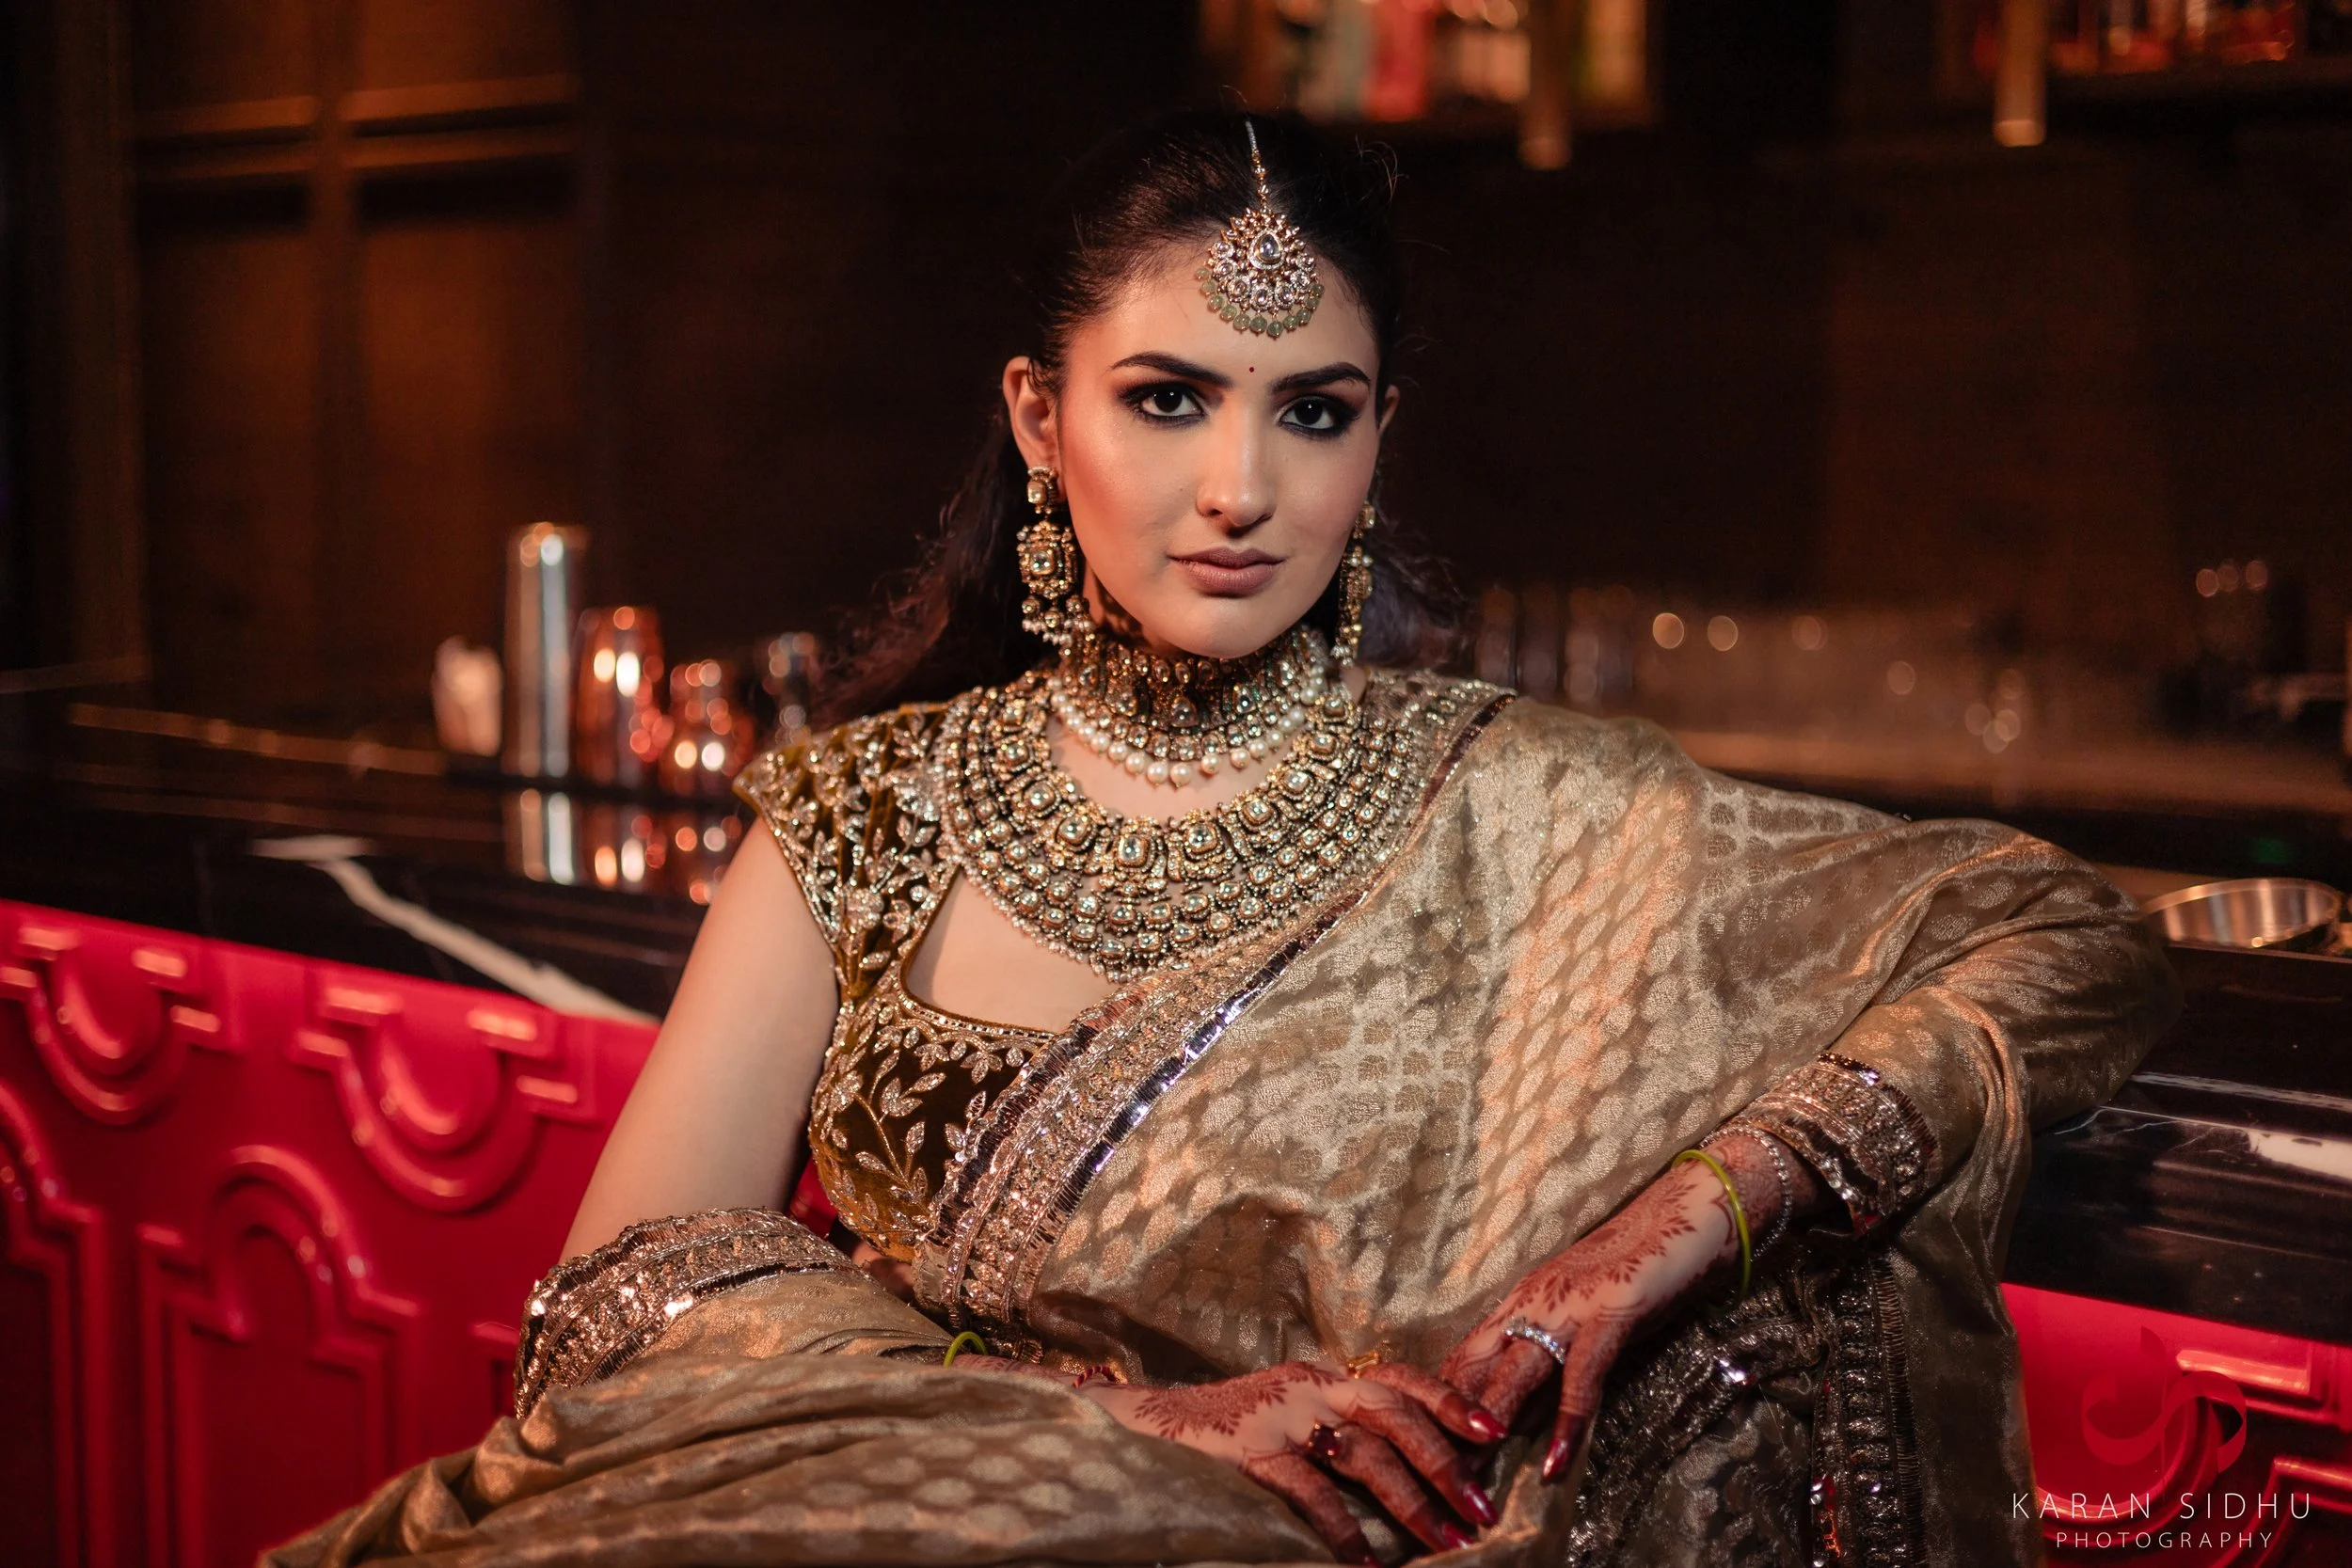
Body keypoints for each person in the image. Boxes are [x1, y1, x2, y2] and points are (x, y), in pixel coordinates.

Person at [271, 112, 2178, 1568]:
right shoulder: (866, 814)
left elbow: (2056, 934)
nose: (1242, 486)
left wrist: (1671, 1226)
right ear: (1039, 418)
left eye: (1312, 411)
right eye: (1167, 399)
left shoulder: (1532, 799)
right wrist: (1131, 1427)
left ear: (1379, 434)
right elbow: (623, 1307)